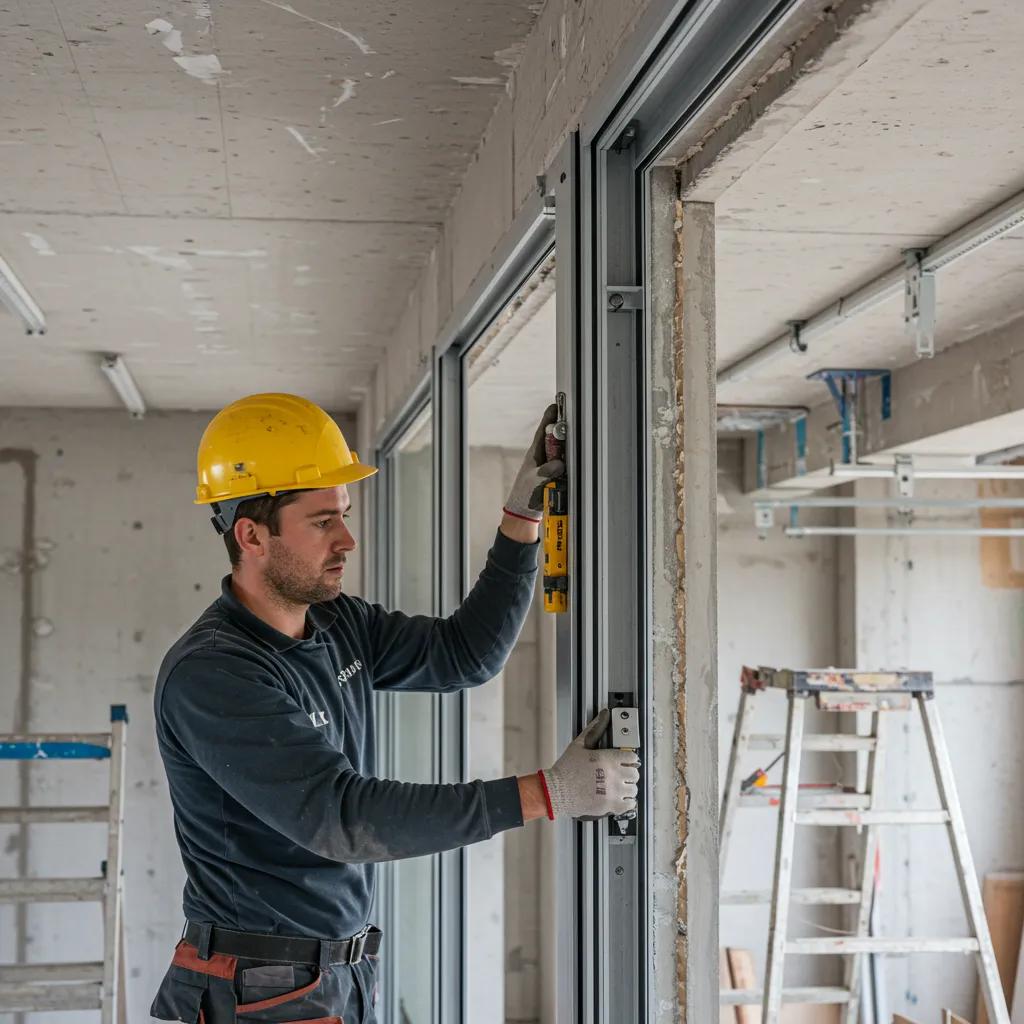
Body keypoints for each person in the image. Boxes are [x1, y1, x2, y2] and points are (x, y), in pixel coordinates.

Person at [150, 392, 639, 1024]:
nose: (347, 539)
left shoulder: (336, 623)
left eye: (344, 515)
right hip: (259, 989)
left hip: (337, 972)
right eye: (322, 521)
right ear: (252, 535)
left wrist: (521, 520)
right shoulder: (215, 673)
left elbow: (464, 656)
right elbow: (342, 817)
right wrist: (548, 793)